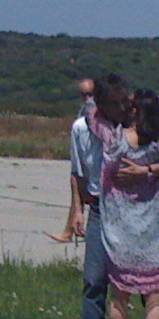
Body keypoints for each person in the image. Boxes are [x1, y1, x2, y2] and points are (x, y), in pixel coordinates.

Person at [72, 74, 159, 319]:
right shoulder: (86, 130)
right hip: (104, 210)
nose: (125, 108)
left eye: (128, 102)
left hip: (128, 217)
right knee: (97, 281)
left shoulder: (117, 136)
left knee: (131, 292)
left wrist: (145, 170)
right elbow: (78, 172)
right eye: (118, 104)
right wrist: (76, 208)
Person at [47, 78, 96, 243]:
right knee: (78, 192)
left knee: (83, 194)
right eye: (83, 95)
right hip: (86, 159)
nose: (87, 98)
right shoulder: (84, 111)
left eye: (90, 94)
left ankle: (70, 232)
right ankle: (69, 231)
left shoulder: (100, 108)